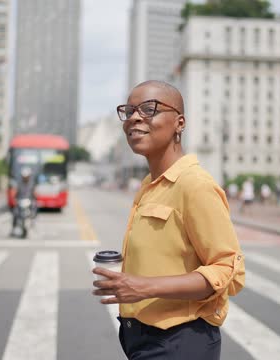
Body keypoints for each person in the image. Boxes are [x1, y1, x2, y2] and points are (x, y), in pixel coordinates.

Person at [93, 80, 245, 359]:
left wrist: (142, 287)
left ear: (179, 123)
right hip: (141, 339)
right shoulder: (150, 184)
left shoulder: (194, 185)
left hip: (179, 342)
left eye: (149, 109)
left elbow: (228, 271)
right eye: (128, 111)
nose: (135, 117)